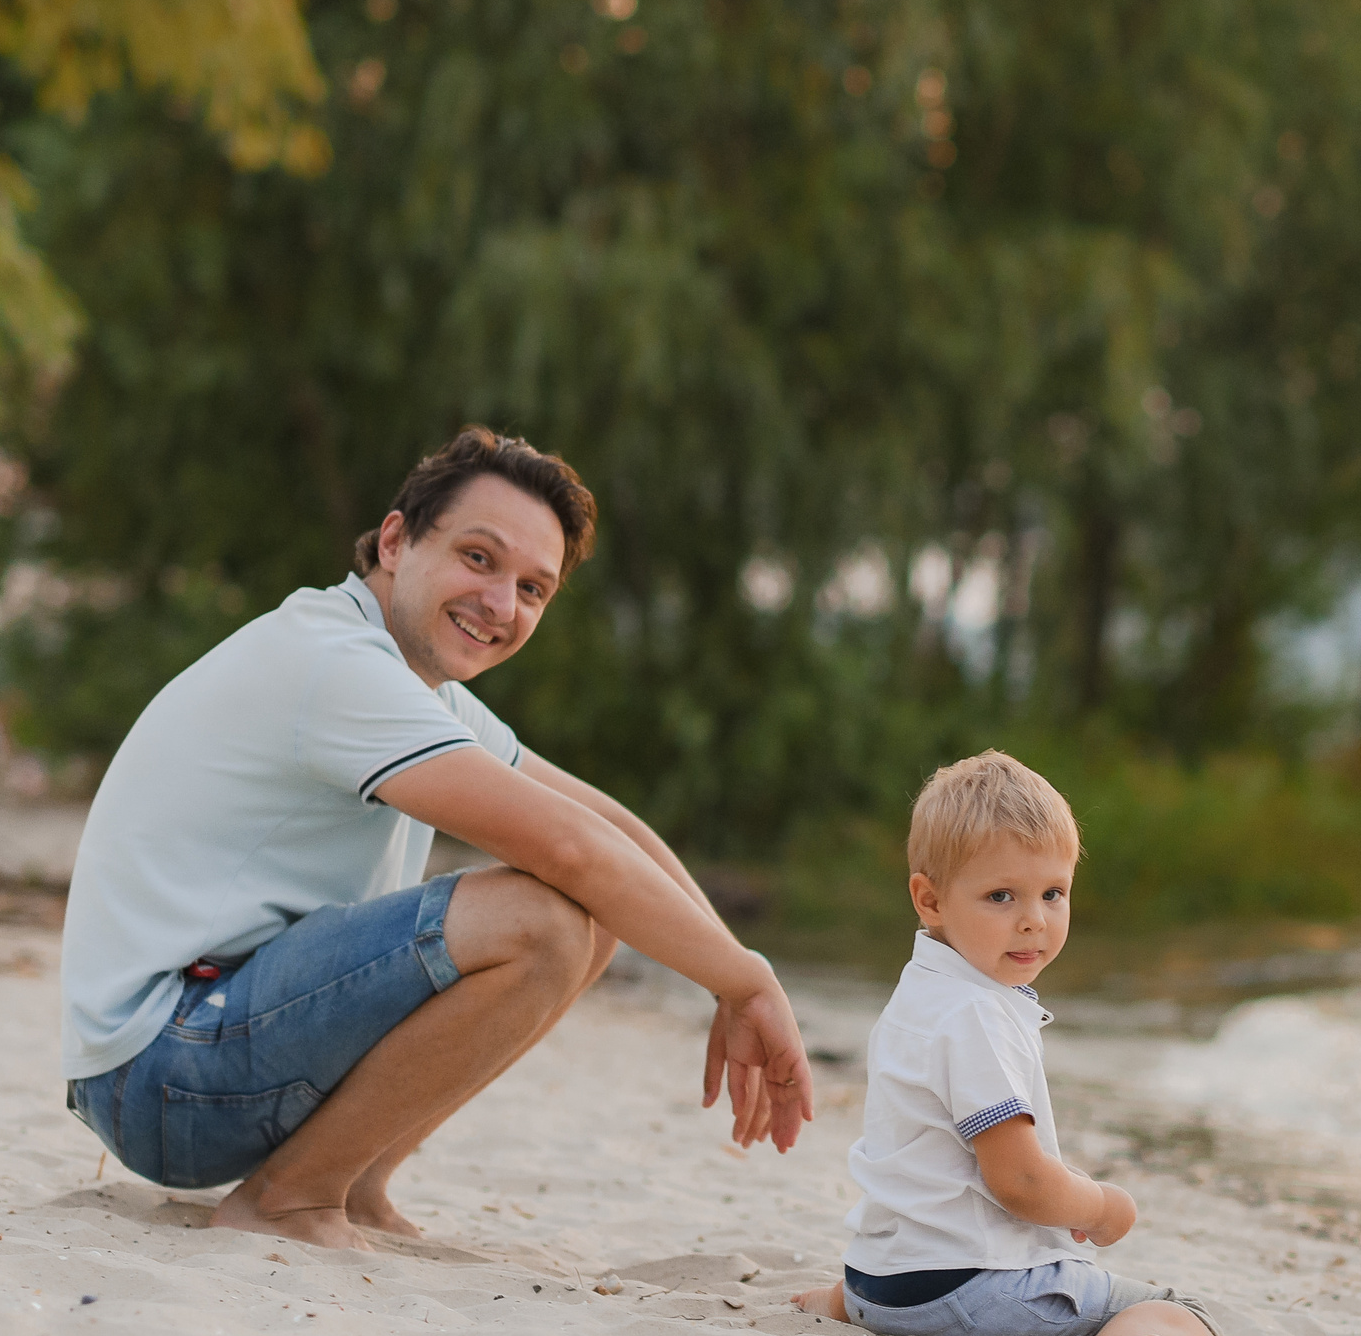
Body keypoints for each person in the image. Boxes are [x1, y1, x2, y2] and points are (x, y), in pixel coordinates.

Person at [59, 427, 813, 1250]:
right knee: (548, 922)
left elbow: (609, 828)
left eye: (533, 588)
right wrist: (746, 981)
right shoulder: (334, 664)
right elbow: (568, 853)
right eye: (480, 558)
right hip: (161, 1070)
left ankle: (354, 1177)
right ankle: (290, 1195)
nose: (501, 603)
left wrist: (733, 975)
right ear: (395, 540)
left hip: (193, 1054)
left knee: (591, 921)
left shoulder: (413, 684)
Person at [794, 751, 1223, 1336]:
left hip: (881, 1280)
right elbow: (1019, 1181)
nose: (1034, 919)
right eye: (1002, 896)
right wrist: (1101, 1206)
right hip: (964, 1291)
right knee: (1191, 1322)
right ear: (929, 899)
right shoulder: (978, 1016)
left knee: (909, 1260)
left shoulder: (920, 992)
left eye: (1054, 893)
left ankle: (843, 1302)